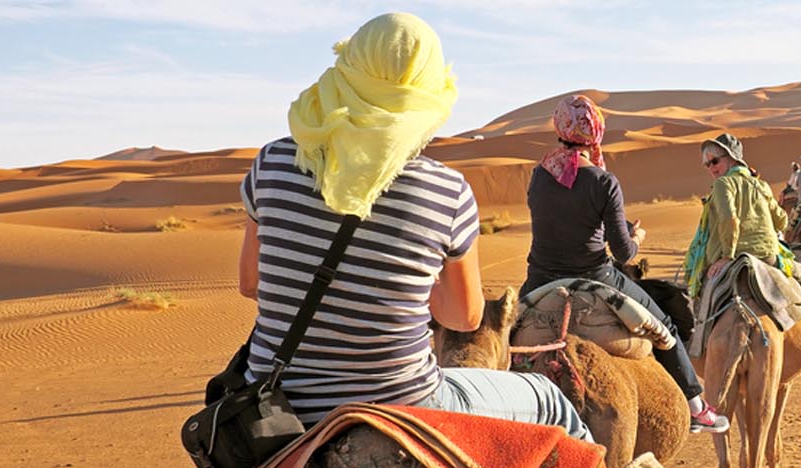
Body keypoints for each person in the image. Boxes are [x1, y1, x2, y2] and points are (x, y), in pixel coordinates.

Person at [237, 13, 591, 443]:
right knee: (549, 400)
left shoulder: (272, 162)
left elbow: (251, 282)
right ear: (429, 91)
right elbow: (464, 316)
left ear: (346, 69)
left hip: (277, 403)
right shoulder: (446, 190)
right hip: (404, 402)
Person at [521, 94, 729, 434]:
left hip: (540, 278)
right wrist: (636, 238)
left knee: (502, 336)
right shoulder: (603, 182)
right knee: (665, 327)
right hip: (595, 276)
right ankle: (695, 406)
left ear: (560, 127)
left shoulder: (539, 176)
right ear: (596, 132)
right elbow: (624, 254)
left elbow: (558, 221)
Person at [683, 134, 801, 352]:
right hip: (766, 257)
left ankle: (695, 343)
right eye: (707, 164)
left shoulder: (722, 184)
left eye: (714, 161)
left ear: (732, 159)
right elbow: (781, 220)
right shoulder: (761, 185)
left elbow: (729, 219)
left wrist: (727, 256)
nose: (711, 167)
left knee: (696, 288)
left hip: (730, 258)